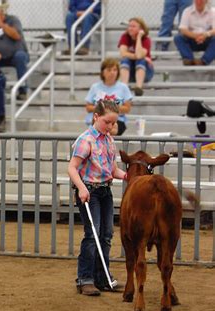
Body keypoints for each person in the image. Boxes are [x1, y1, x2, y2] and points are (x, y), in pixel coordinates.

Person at [68, 99, 127, 296]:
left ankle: (102, 278)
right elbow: (72, 167)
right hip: (89, 192)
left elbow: (113, 170)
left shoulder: (109, 140)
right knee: (92, 235)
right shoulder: (86, 140)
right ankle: (85, 279)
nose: (110, 127)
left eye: (113, 123)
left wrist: (127, 176)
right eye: (107, 122)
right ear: (96, 117)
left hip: (105, 191)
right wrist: (82, 188)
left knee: (106, 235)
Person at [0, 0, 29, 100]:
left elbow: (16, 35)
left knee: (20, 57)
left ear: (0, 11)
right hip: (1, 57)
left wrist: (1, 25)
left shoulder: (13, 20)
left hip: (16, 55)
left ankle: (23, 90)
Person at [85, 58, 133, 136]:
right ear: (103, 72)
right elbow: (88, 107)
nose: (112, 73)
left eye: (115, 70)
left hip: (117, 121)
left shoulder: (123, 87)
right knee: (100, 125)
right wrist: (102, 109)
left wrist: (110, 108)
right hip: (98, 120)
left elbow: (127, 109)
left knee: (110, 127)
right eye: (109, 70)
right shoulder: (95, 87)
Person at [118, 17, 154, 96]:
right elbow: (123, 53)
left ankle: (139, 88)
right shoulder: (125, 37)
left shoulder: (146, 40)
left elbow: (139, 55)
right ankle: (124, 88)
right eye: (129, 26)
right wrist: (139, 56)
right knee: (125, 60)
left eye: (133, 26)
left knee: (141, 61)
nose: (130, 28)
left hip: (145, 73)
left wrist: (139, 37)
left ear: (141, 28)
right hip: (130, 72)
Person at [174, 0, 215, 66]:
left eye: (201, 0)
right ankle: (189, 60)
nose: (199, 2)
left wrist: (206, 35)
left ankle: (204, 61)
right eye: (197, 0)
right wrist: (196, 36)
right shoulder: (187, 11)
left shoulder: (213, 11)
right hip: (192, 40)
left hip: (206, 39)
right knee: (178, 38)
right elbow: (183, 29)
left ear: (206, 1)